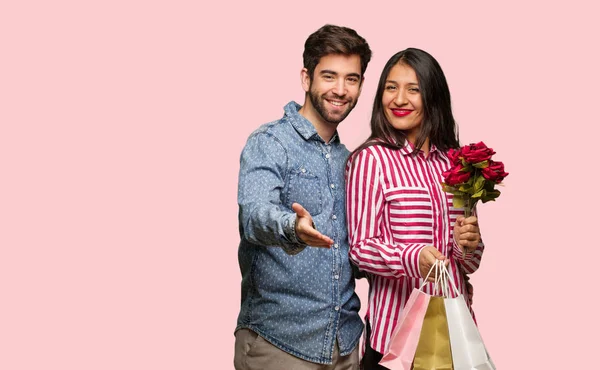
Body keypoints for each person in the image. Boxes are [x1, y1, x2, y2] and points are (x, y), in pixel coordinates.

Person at [234, 25, 372, 370]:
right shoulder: (270, 142)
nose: (340, 90)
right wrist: (293, 227)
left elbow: (358, 250)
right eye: (329, 76)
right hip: (280, 343)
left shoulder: (353, 161)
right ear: (306, 78)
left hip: (345, 345)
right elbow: (253, 214)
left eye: (351, 79)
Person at [345, 48, 484, 369]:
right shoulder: (371, 160)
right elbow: (360, 248)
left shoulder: (456, 164)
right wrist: (414, 257)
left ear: (433, 95)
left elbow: (469, 263)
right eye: (391, 87)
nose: (399, 99)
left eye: (413, 89)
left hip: (453, 337)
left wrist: (469, 244)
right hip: (395, 342)